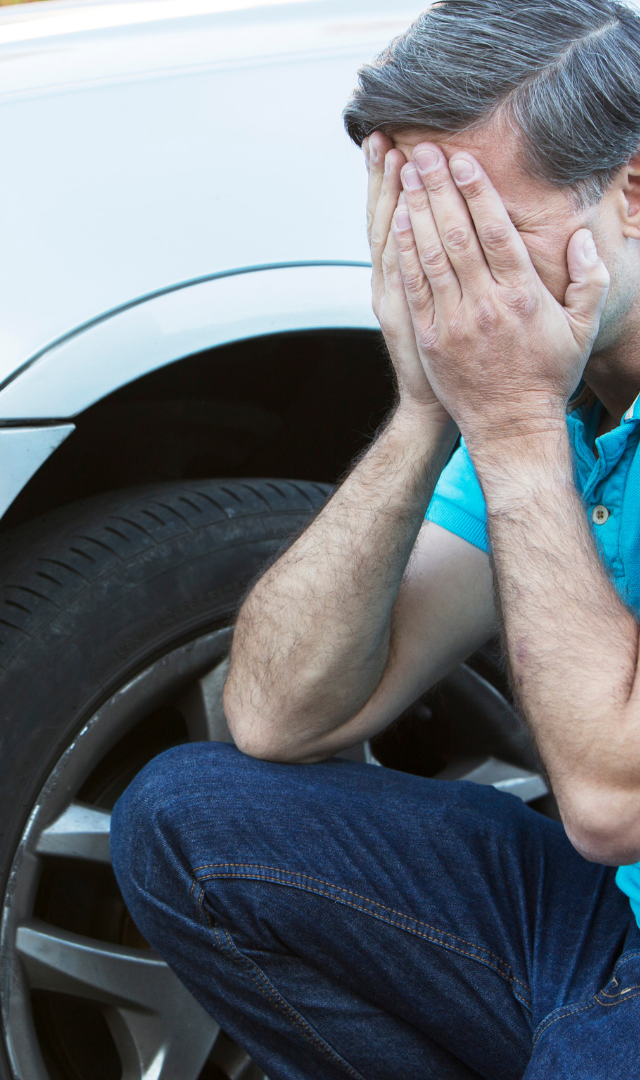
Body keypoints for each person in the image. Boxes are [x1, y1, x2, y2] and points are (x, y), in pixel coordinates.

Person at [109, 1, 640, 1076]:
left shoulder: (535, 409)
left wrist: (515, 424)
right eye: (413, 228)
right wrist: (422, 409)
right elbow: (277, 715)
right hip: (608, 924)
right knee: (187, 820)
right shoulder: (565, 398)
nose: (445, 275)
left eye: (477, 222)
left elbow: (611, 799)